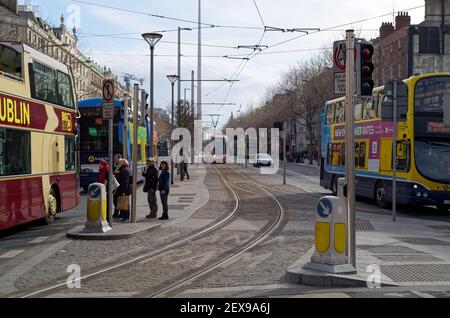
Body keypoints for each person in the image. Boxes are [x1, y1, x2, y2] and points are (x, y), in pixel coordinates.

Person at [112, 154, 123, 218]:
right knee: (115, 200)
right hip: (115, 185)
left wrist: (118, 172)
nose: (114, 160)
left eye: (115, 158)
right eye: (114, 158)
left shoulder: (121, 166)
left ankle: (119, 213)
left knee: (119, 200)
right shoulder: (114, 165)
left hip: (119, 185)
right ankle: (116, 212)